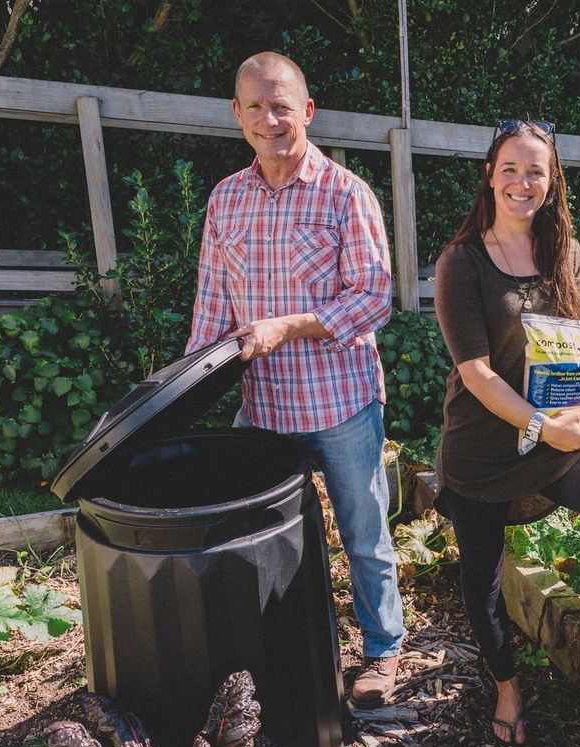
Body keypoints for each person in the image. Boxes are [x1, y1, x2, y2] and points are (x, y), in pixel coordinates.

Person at [433, 119, 580, 745]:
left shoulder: (563, 250)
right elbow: (477, 374)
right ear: (491, 174)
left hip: (559, 437)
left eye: (535, 170)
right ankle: (508, 684)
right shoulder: (462, 263)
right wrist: (541, 426)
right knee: (481, 582)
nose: (522, 181)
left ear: (551, 179)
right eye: (510, 168)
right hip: (484, 451)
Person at [186, 51, 405, 707]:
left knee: (365, 535)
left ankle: (383, 652)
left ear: (307, 111)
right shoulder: (225, 199)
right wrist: (180, 392)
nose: (269, 118)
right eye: (254, 106)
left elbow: (374, 299)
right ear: (237, 115)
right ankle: (270, 655)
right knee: (252, 540)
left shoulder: (346, 193)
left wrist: (288, 325)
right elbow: (211, 311)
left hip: (340, 405)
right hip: (263, 409)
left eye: (281, 105)